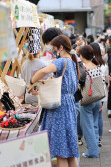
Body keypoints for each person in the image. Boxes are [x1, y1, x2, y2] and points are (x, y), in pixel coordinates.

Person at [31, 35, 80, 167]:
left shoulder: (61, 61)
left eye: (54, 47)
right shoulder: (72, 61)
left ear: (61, 47)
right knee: (70, 152)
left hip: (59, 107)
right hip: (69, 105)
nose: (52, 49)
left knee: (60, 153)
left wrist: (32, 80)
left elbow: (44, 70)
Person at [78, 45, 102, 158]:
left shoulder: (83, 67)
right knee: (94, 124)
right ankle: (95, 147)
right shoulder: (96, 65)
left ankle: (92, 151)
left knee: (87, 127)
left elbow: (79, 84)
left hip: (87, 100)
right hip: (97, 98)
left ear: (82, 55)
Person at [22, 28, 51, 104]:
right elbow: (49, 79)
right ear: (39, 51)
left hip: (28, 96)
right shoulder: (44, 64)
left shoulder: (24, 64)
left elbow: (23, 80)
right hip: (41, 97)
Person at [90, 43, 108, 147]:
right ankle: (99, 138)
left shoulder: (91, 64)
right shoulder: (103, 64)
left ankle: (94, 138)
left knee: (91, 116)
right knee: (99, 116)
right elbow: (105, 79)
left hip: (92, 92)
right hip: (102, 92)